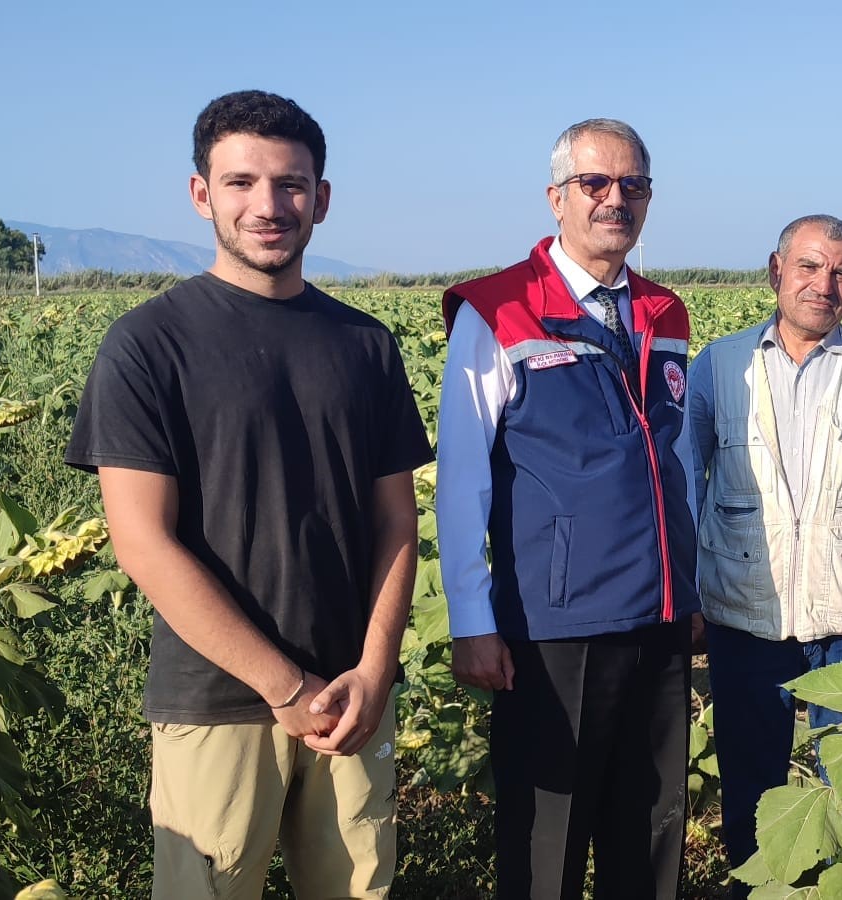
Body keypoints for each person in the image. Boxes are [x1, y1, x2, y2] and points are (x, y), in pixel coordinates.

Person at [66, 90, 431, 900]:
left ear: (321, 200)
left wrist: (374, 670)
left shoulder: (365, 344)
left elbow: (395, 522)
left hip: (352, 698)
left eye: (291, 184)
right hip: (219, 698)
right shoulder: (148, 344)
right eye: (240, 183)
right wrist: (286, 687)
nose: (268, 206)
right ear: (202, 195)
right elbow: (142, 542)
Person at [436, 118, 699, 900]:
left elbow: (677, 464)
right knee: (547, 839)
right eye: (595, 183)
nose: (615, 199)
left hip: (657, 617)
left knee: (650, 832)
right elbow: (461, 478)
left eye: (633, 185)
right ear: (557, 197)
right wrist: (470, 618)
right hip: (555, 626)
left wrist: (689, 590)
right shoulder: (499, 311)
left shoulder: (664, 311)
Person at [688, 214, 842, 880]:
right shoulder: (720, 365)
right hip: (746, 614)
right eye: (808, 266)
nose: (823, 284)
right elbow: (688, 484)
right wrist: (688, 595)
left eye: (841, 271)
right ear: (776, 271)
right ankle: (762, 891)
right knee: (753, 790)